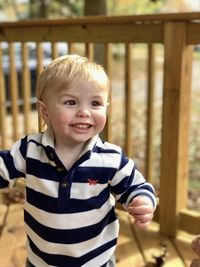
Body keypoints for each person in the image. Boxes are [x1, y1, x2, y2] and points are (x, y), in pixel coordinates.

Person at [0, 55, 156, 267]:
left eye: (95, 103)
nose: (84, 112)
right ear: (45, 111)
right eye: (71, 102)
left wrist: (142, 201)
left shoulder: (109, 158)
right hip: (41, 260)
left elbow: (137, 186)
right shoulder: (30, 150)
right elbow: (3, 168)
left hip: (95, 260)